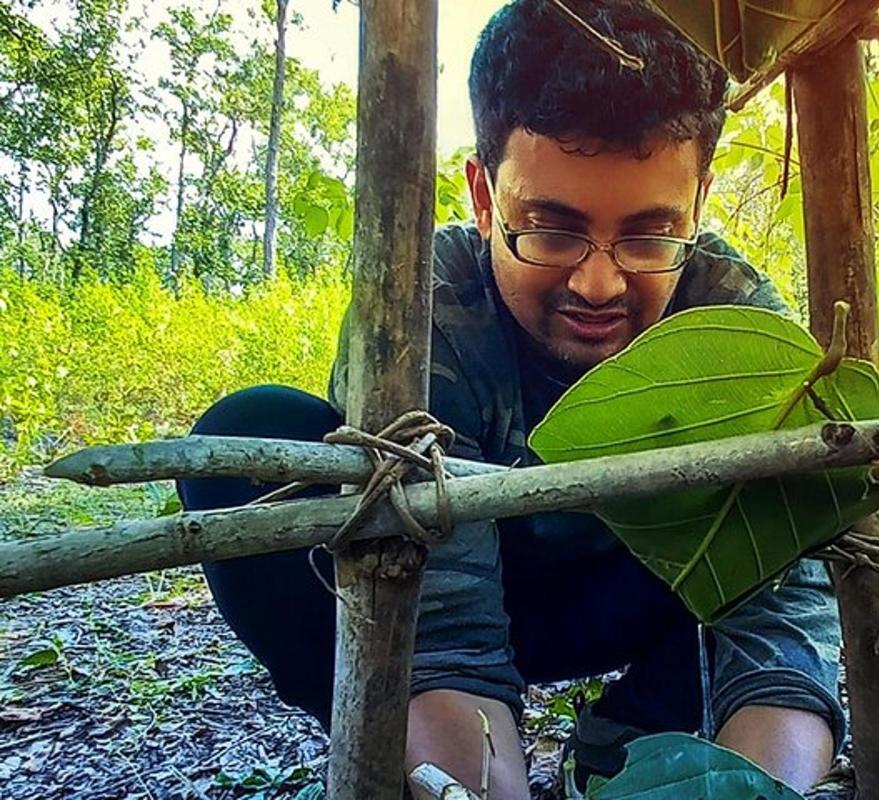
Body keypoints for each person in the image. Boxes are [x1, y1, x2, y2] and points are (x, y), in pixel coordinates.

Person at [178, 2, 844, 798]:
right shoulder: (416, 313)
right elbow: (446, 620)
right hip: (430, 585)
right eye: (551, 230)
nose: (599, 284)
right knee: (250, 437)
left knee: (795, 516)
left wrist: (757, 790)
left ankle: (629, 747)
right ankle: (405, 750)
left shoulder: (737, 321)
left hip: (632, 582)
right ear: (485, 198)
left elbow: (780, 628)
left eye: (648, 234)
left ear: (698, 201)